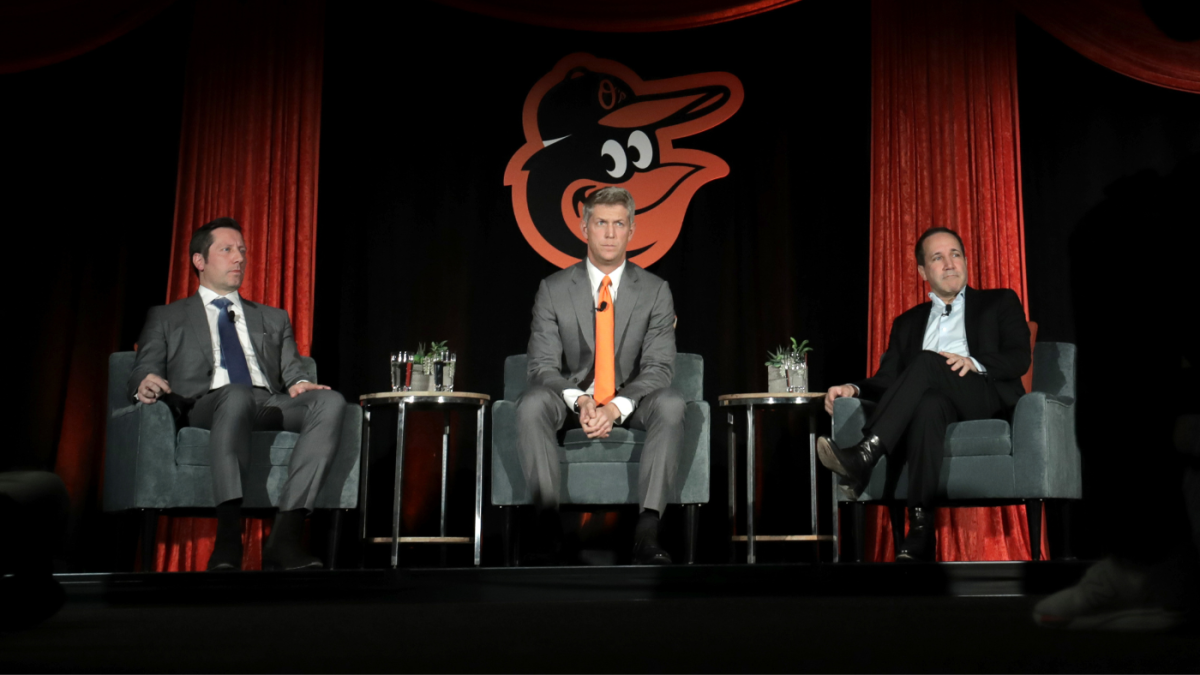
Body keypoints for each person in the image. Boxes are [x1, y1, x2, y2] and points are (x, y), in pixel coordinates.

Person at [128, 217, 345, 571]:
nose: (239, 258)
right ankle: (229, 538)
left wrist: (301, 383)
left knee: (331, 401)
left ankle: (285, 536)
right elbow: (143, 365)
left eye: (242, 250)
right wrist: (145, 380)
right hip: (207, 405)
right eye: (227, 250)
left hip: (267, 402)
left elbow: (292, 368)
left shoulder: (273, 318)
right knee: (236, 394)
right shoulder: (167, 316)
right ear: (199, 261)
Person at [817, 227, 1031, 561]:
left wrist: (973, 362)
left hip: (983, 396)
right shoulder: (907, 323)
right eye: (937, 258)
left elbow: (1020, 357)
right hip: (936, 404)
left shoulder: (999, 301)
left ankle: (865, 453)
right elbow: (889, 378)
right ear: (922, 272)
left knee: (927, 362)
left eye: (955, 254)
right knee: (928, 405)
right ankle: (919, 529)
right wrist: (854, 388)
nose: (949, 264)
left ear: (965, 261)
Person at [517, 187, 684, 565]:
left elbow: (659, 367)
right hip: (573, 399)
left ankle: (647, 530)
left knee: (672, 403)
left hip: (630, 401)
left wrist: (616, 407)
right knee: (530, 404)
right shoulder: (553, 289)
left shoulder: (657, 291)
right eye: (601, 223)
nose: (610, 233)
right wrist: (581, 399)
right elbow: (541, 366)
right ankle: (548, 530)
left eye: (618, 224)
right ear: (584, 228)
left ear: (631, 231)